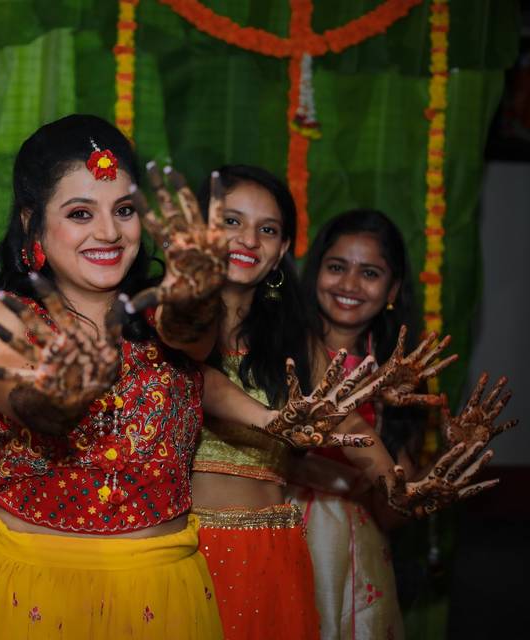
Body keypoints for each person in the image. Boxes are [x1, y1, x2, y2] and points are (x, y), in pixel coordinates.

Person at [0, 114, 384, 640]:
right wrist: (61, 397)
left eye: (124, 210)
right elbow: (21, 398)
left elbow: (191, 350)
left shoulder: (158, 313)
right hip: (36, 589)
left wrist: (199, 301)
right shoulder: (1, 318)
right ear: (32, 222)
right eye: (80, 212)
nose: (109, 232)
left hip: (163, 588)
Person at [289, 208, 516, 639]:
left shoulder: (400, 379)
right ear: (315, 271)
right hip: (272, 533)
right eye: (336, 267)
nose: (350, 285)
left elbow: (393, 511)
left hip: (356, 556)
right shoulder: (278, 354)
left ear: (392, 289)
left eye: (370, 273)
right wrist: (334, 476)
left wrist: (456, 457)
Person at [190, 165, 319, 639]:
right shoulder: (164, 325)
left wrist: (394, 481)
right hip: (184, 548)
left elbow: (350, 421)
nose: (248, 240)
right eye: (231, 222)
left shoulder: (295, 343)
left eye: (267, 230)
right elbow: (193, 377)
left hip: (271, 549)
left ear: (282, 249)